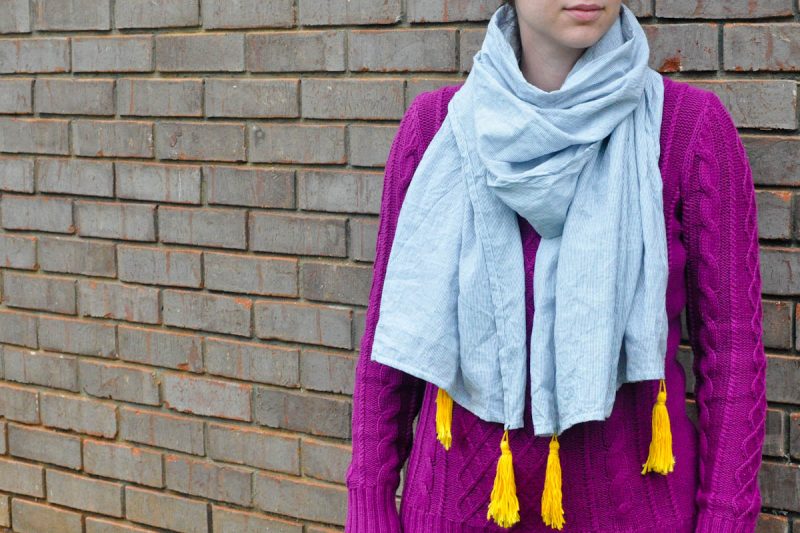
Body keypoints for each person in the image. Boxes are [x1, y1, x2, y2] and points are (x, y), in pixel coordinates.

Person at [345, 1, 767, 531]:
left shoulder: (688, 131)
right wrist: (370, 502)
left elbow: (732, 351)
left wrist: (727, 521)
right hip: (449, 513)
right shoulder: (436, 130)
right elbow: (392, 339)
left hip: (635, 515)